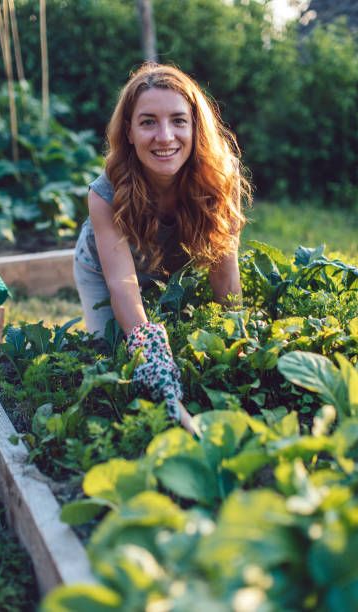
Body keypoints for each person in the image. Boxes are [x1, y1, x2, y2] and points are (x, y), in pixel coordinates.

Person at [74, 63, 251, 434]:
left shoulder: (220, 178)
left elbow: (224, 269)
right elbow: (123, 287)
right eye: (148, 121)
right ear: (130, 132)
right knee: (113, 358)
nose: (165, 136)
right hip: (103, 272)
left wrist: (238, 341)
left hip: (171, 267)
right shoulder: (104, 193)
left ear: (195, 127)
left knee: (192, 342)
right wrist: (160, 375)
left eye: (178, 120)